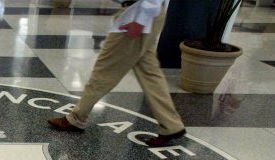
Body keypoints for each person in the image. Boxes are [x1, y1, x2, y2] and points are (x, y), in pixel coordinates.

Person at [48, 0, 185, 147]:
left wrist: (140, 21)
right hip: (144, 14)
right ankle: (171, 125)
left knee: (105, 70)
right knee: (149, 72)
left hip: (138, 14)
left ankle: (76, 118)